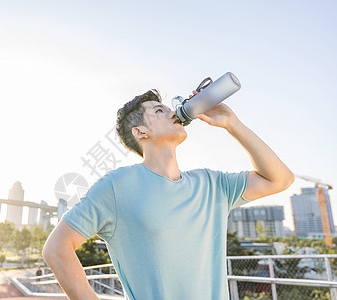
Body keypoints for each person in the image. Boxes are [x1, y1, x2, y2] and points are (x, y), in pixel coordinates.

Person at [42, 89, 294, 300]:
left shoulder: (212, 183)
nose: (173, 112)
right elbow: (56, 248)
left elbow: (280, 179)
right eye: (159, 111)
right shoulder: (117, 186)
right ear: (140, 132)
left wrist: (232, 123)